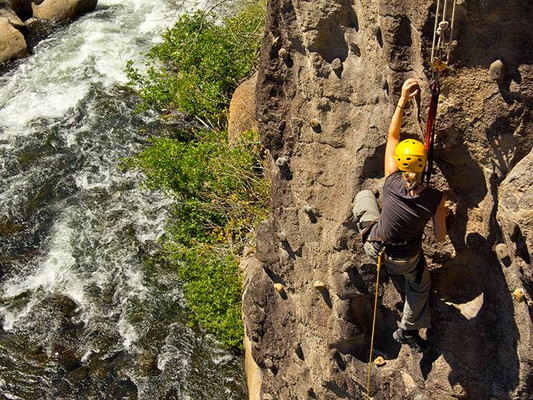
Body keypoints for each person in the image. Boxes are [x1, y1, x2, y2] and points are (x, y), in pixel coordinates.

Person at [352, 78, 447, 353]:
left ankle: (360, 226)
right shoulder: (434, 199)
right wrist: (444, 212)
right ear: (423, 164)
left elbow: (392, 137)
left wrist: (403, 100)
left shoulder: (391, 181)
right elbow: (440, 239)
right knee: (420, 286)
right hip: (407, 259)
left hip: (376, 247)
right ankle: (408, 329)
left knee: (364, 197)